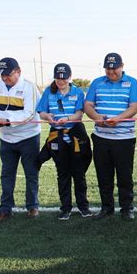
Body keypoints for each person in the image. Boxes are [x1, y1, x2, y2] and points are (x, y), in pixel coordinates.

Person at [84, 53, 137, 220]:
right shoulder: (97, 83)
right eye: (108, 68)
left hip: (124, 138)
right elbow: (88, 105)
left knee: (125, 176)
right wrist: (96, 117)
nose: (111, 72)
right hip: (101, 137)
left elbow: (135, 106)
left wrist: (119, 118)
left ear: (122, 65)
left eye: (114, 68)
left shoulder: (131, 83)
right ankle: (106, 207)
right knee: (104, 176)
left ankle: (126, 208)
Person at [0, 57, 41, 223]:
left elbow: (30, 113)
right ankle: (5, 209)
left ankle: (32, 206)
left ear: (18, 71)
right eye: (1, 74)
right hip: (6, 139)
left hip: (28, 137)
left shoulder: (29, 87)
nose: (4, 78)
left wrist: (6, 120)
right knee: (6, 175)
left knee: (31, 173)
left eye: (8, 74)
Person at [36, 63, 92, 221]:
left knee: (79, 174)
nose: (61, 81)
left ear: (69, 77)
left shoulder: (77, 92)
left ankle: (83, 207)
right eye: (58, 78)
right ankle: (65, 208)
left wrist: (67, 119)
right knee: (63, 175)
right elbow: (41, 111)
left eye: (64, 78)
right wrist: (49, 117)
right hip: (57, 137)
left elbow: (79, 114)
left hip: (75, 136)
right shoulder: (48, 92)